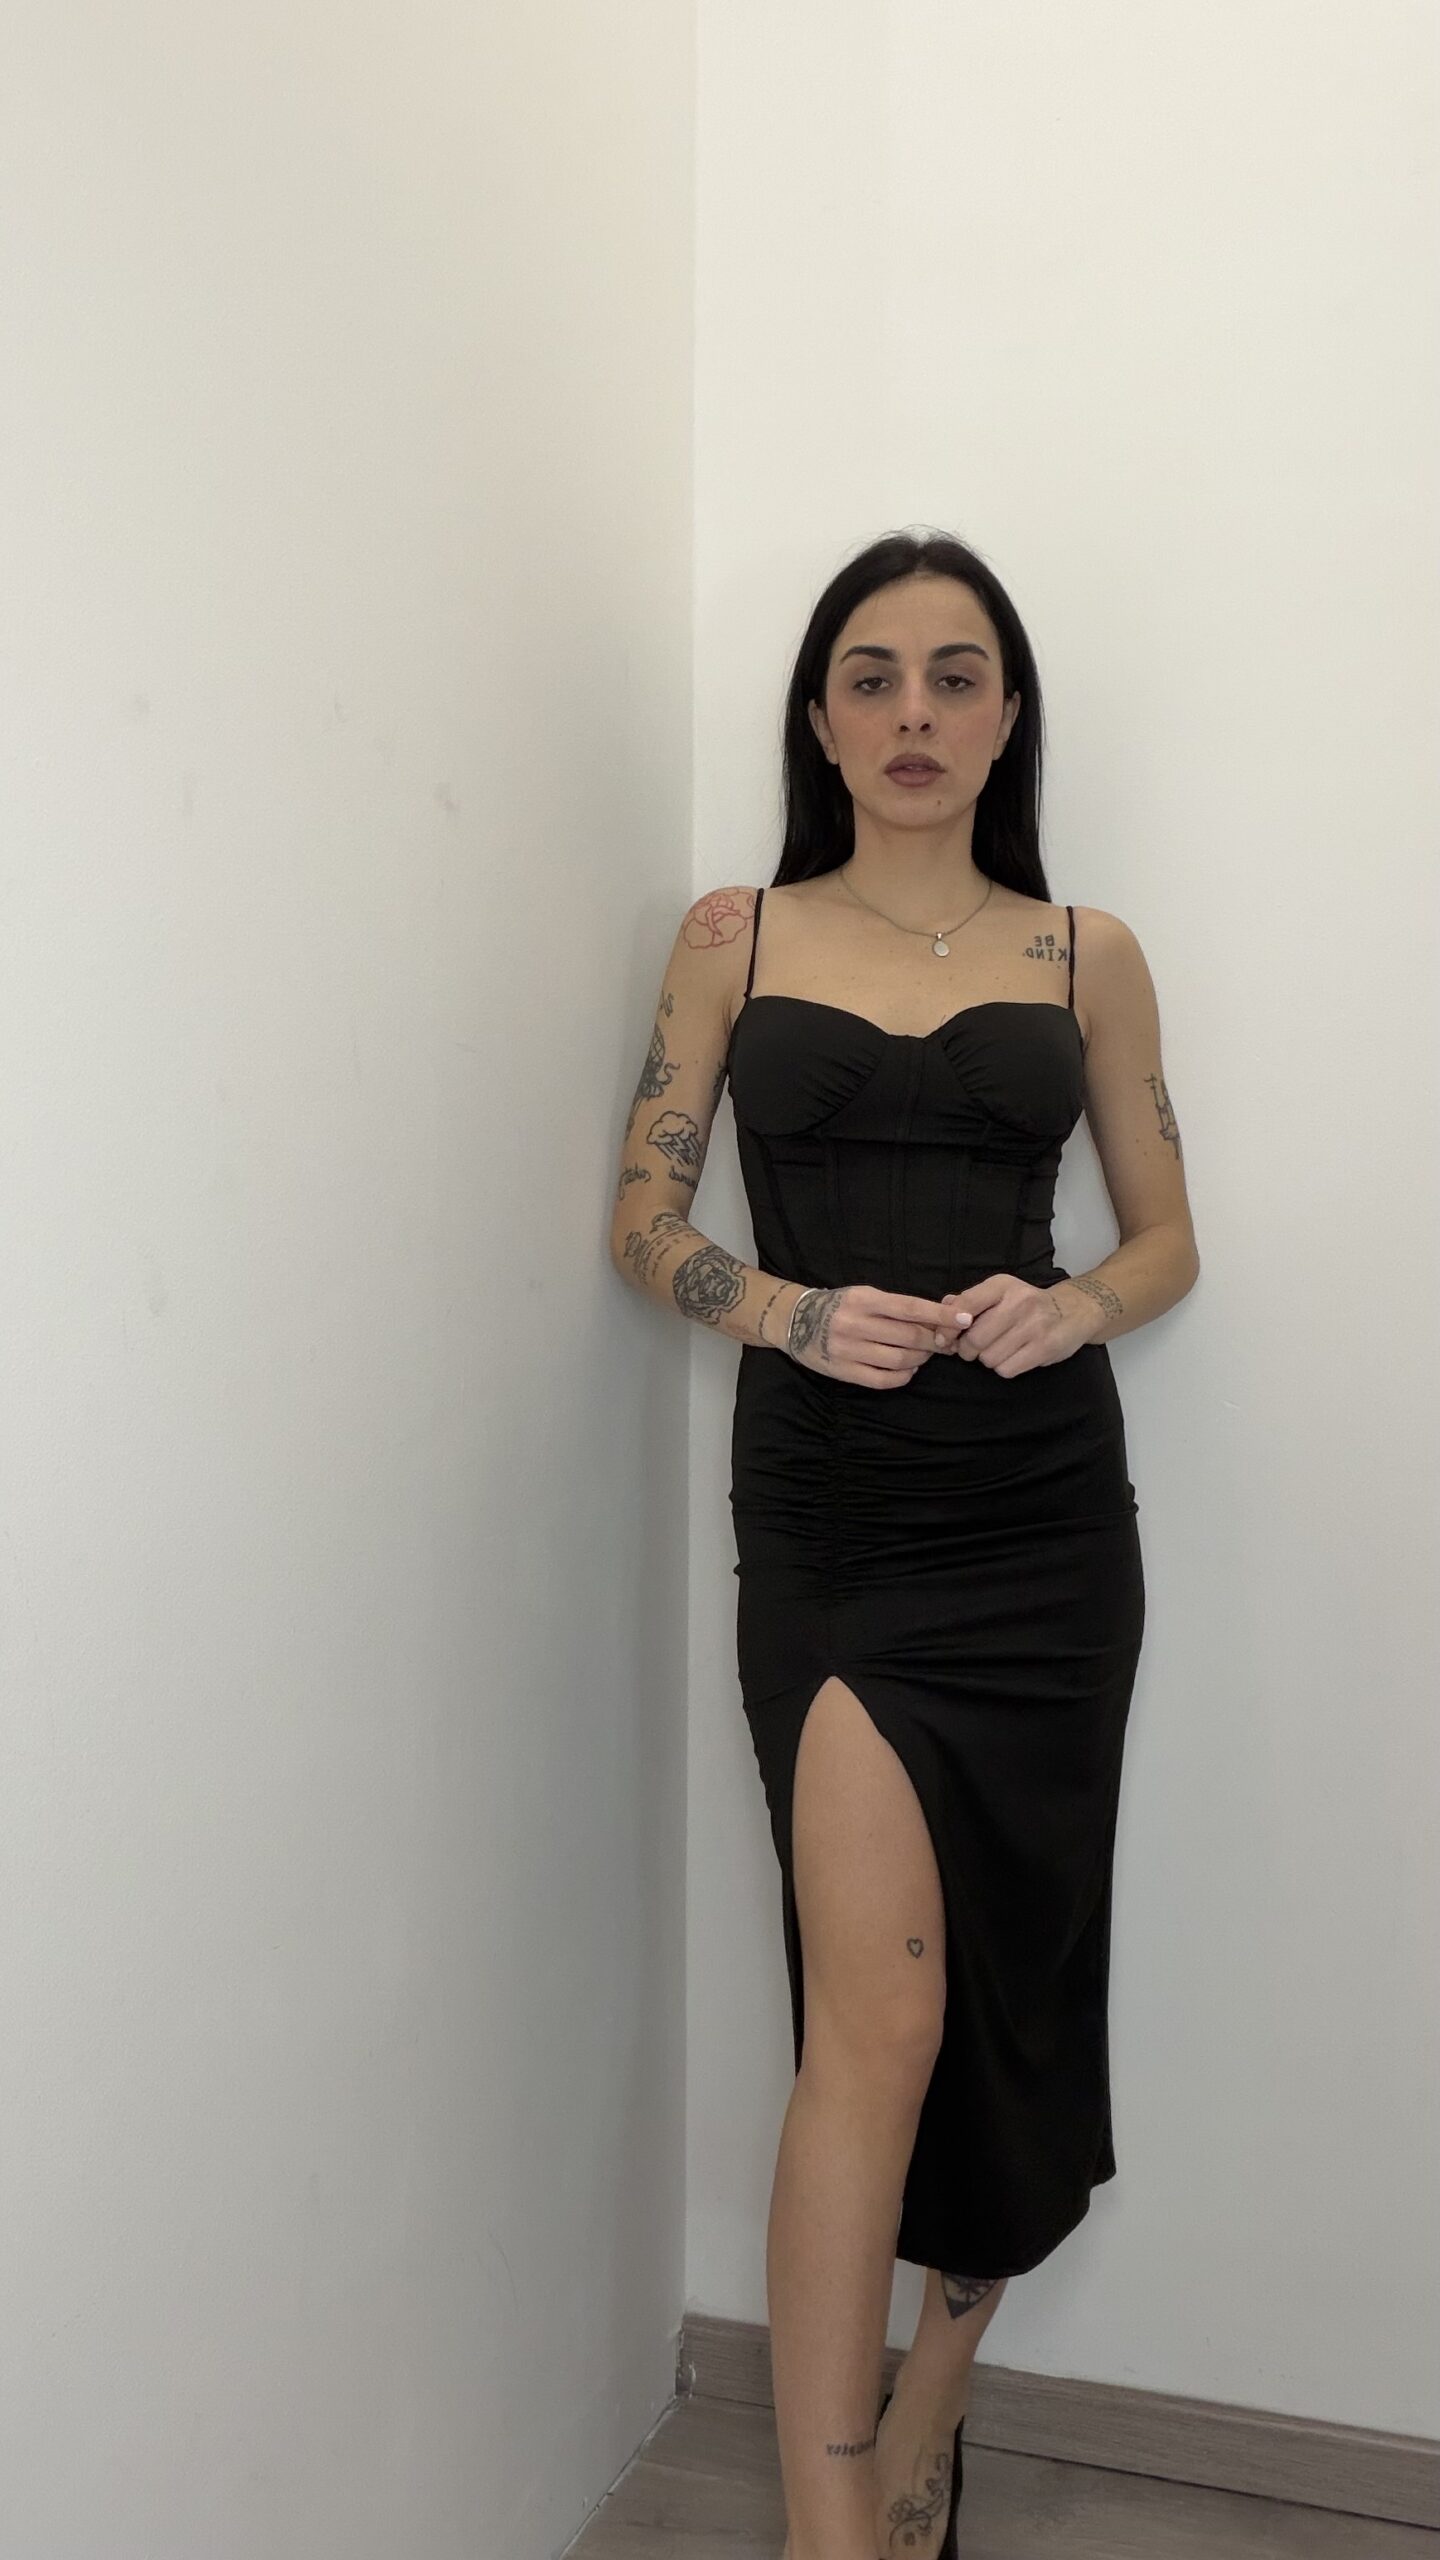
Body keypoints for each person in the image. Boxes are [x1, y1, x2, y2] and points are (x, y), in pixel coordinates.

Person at [608, 529, 1200, 2560]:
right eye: (873, 674)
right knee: (876, 2017)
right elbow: (642, 1220)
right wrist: (781, 1308)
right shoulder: (735, 933)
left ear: (1009, 714)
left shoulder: (1085, 952)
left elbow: (1167, 1237)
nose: (916, 712)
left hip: (1044, 1524)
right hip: (836, 1523)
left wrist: (1078, 1303)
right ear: (821, 715)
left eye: (958, 675)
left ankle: (936, 2386)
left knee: (1019, 1993)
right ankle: (830, 2526)